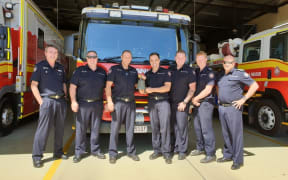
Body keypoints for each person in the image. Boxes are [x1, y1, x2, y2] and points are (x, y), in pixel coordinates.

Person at [216, 55, 258, 170]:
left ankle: (238, 160)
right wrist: (219, 98)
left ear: (234, 63)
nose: (226, 64)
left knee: (236, 135)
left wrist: (243, 99)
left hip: (233, 108)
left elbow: (254, 85)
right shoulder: (221, 75)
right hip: (222, 107)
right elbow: (218, 87)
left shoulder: (239, 73)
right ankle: (228, 155)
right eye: (225, 62)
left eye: (229, 62)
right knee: (226, 133)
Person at [31, 44, 68, 168]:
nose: (53, 54)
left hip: (60, 102)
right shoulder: (40, 67)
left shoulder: (60, 68)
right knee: (43, 130)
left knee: (60, 129)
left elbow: (63, 83)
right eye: (51, 52)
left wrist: (66, 97)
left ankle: (58, 152)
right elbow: (33, 85)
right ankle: (37, 156)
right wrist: (41, 101)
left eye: (55, 53)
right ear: (45, 53)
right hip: (47, 101)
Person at [70, 50, 107, 163]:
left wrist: (106, 102)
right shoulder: (80, 71)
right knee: (81, 129)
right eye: (89, 57)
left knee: (95, 129)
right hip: (83, 104)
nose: (92, 59)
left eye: (94, 57)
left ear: (97, 58)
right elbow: (72, 87)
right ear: (86, 58)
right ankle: (79, 152)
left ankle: (95, 150)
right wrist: (73, 101)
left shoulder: (102, 72)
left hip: (97, 104)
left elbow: (106, 89)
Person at [106, 50, 140, 164]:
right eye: (125, 57)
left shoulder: (134, 71)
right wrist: (109, 101)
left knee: (130, 129)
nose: (127, 59)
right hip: (118, 103)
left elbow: (137, 85)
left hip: (130, 103)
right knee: (115, 129)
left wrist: (143, 80)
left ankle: (131, 152)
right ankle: (112, 153)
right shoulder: (114, 69)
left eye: (129, 57)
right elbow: (108, 86)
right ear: (121, 57)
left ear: (131, 58)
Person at [139, 52, 172, 164]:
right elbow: (143, 90)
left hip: (163, 102)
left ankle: (166, 153)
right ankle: (156, 150)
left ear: (159, 60)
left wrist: (152, 89)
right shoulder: (147, 74)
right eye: (151, 60)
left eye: (155, 60)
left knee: (165, 128)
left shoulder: (165, 72)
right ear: (150, 62)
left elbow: (167, 87)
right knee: (155, 128)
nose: (154, 62)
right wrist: (140, 82)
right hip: (152, 103)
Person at [169, 50, 196, 160]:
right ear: (175, 58)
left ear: (185, 59)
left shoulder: (189, 71)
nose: (180, 59)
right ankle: (176, 147)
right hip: (171, 103)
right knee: (174, 127)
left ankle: (182, 150)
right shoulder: (171, 70)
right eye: (178, 57)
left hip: (182, 104)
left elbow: (192, 89)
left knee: (181, 127)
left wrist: (185, 102)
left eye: (182, 57)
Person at [191, 51, 216, 163]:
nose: (200, 61)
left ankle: (210, 153)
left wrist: (195, 99)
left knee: (206, 129)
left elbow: (208, 90)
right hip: (196, 104)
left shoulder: (210, 72)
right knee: (197, 127)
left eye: (202, 59)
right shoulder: (195, 72)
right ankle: (200, 148)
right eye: (198, 59)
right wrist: (193, 101)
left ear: (206, 60)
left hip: (205, 103)